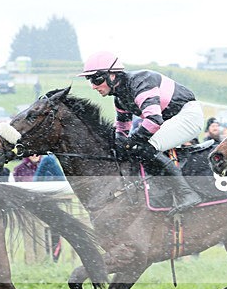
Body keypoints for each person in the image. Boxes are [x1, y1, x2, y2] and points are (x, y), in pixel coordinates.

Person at [78, 51, 203, 214]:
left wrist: (132, 142)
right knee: (133, 150)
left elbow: (153, 119)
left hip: (188, 116)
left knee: (145, 147)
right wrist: (118, 146)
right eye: (91, 81)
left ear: (113, 76)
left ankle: (187, 193)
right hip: (171, 121)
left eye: (97, 79)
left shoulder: (141, 81)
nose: (94, 86)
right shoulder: (120, 98)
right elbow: (122, 129)